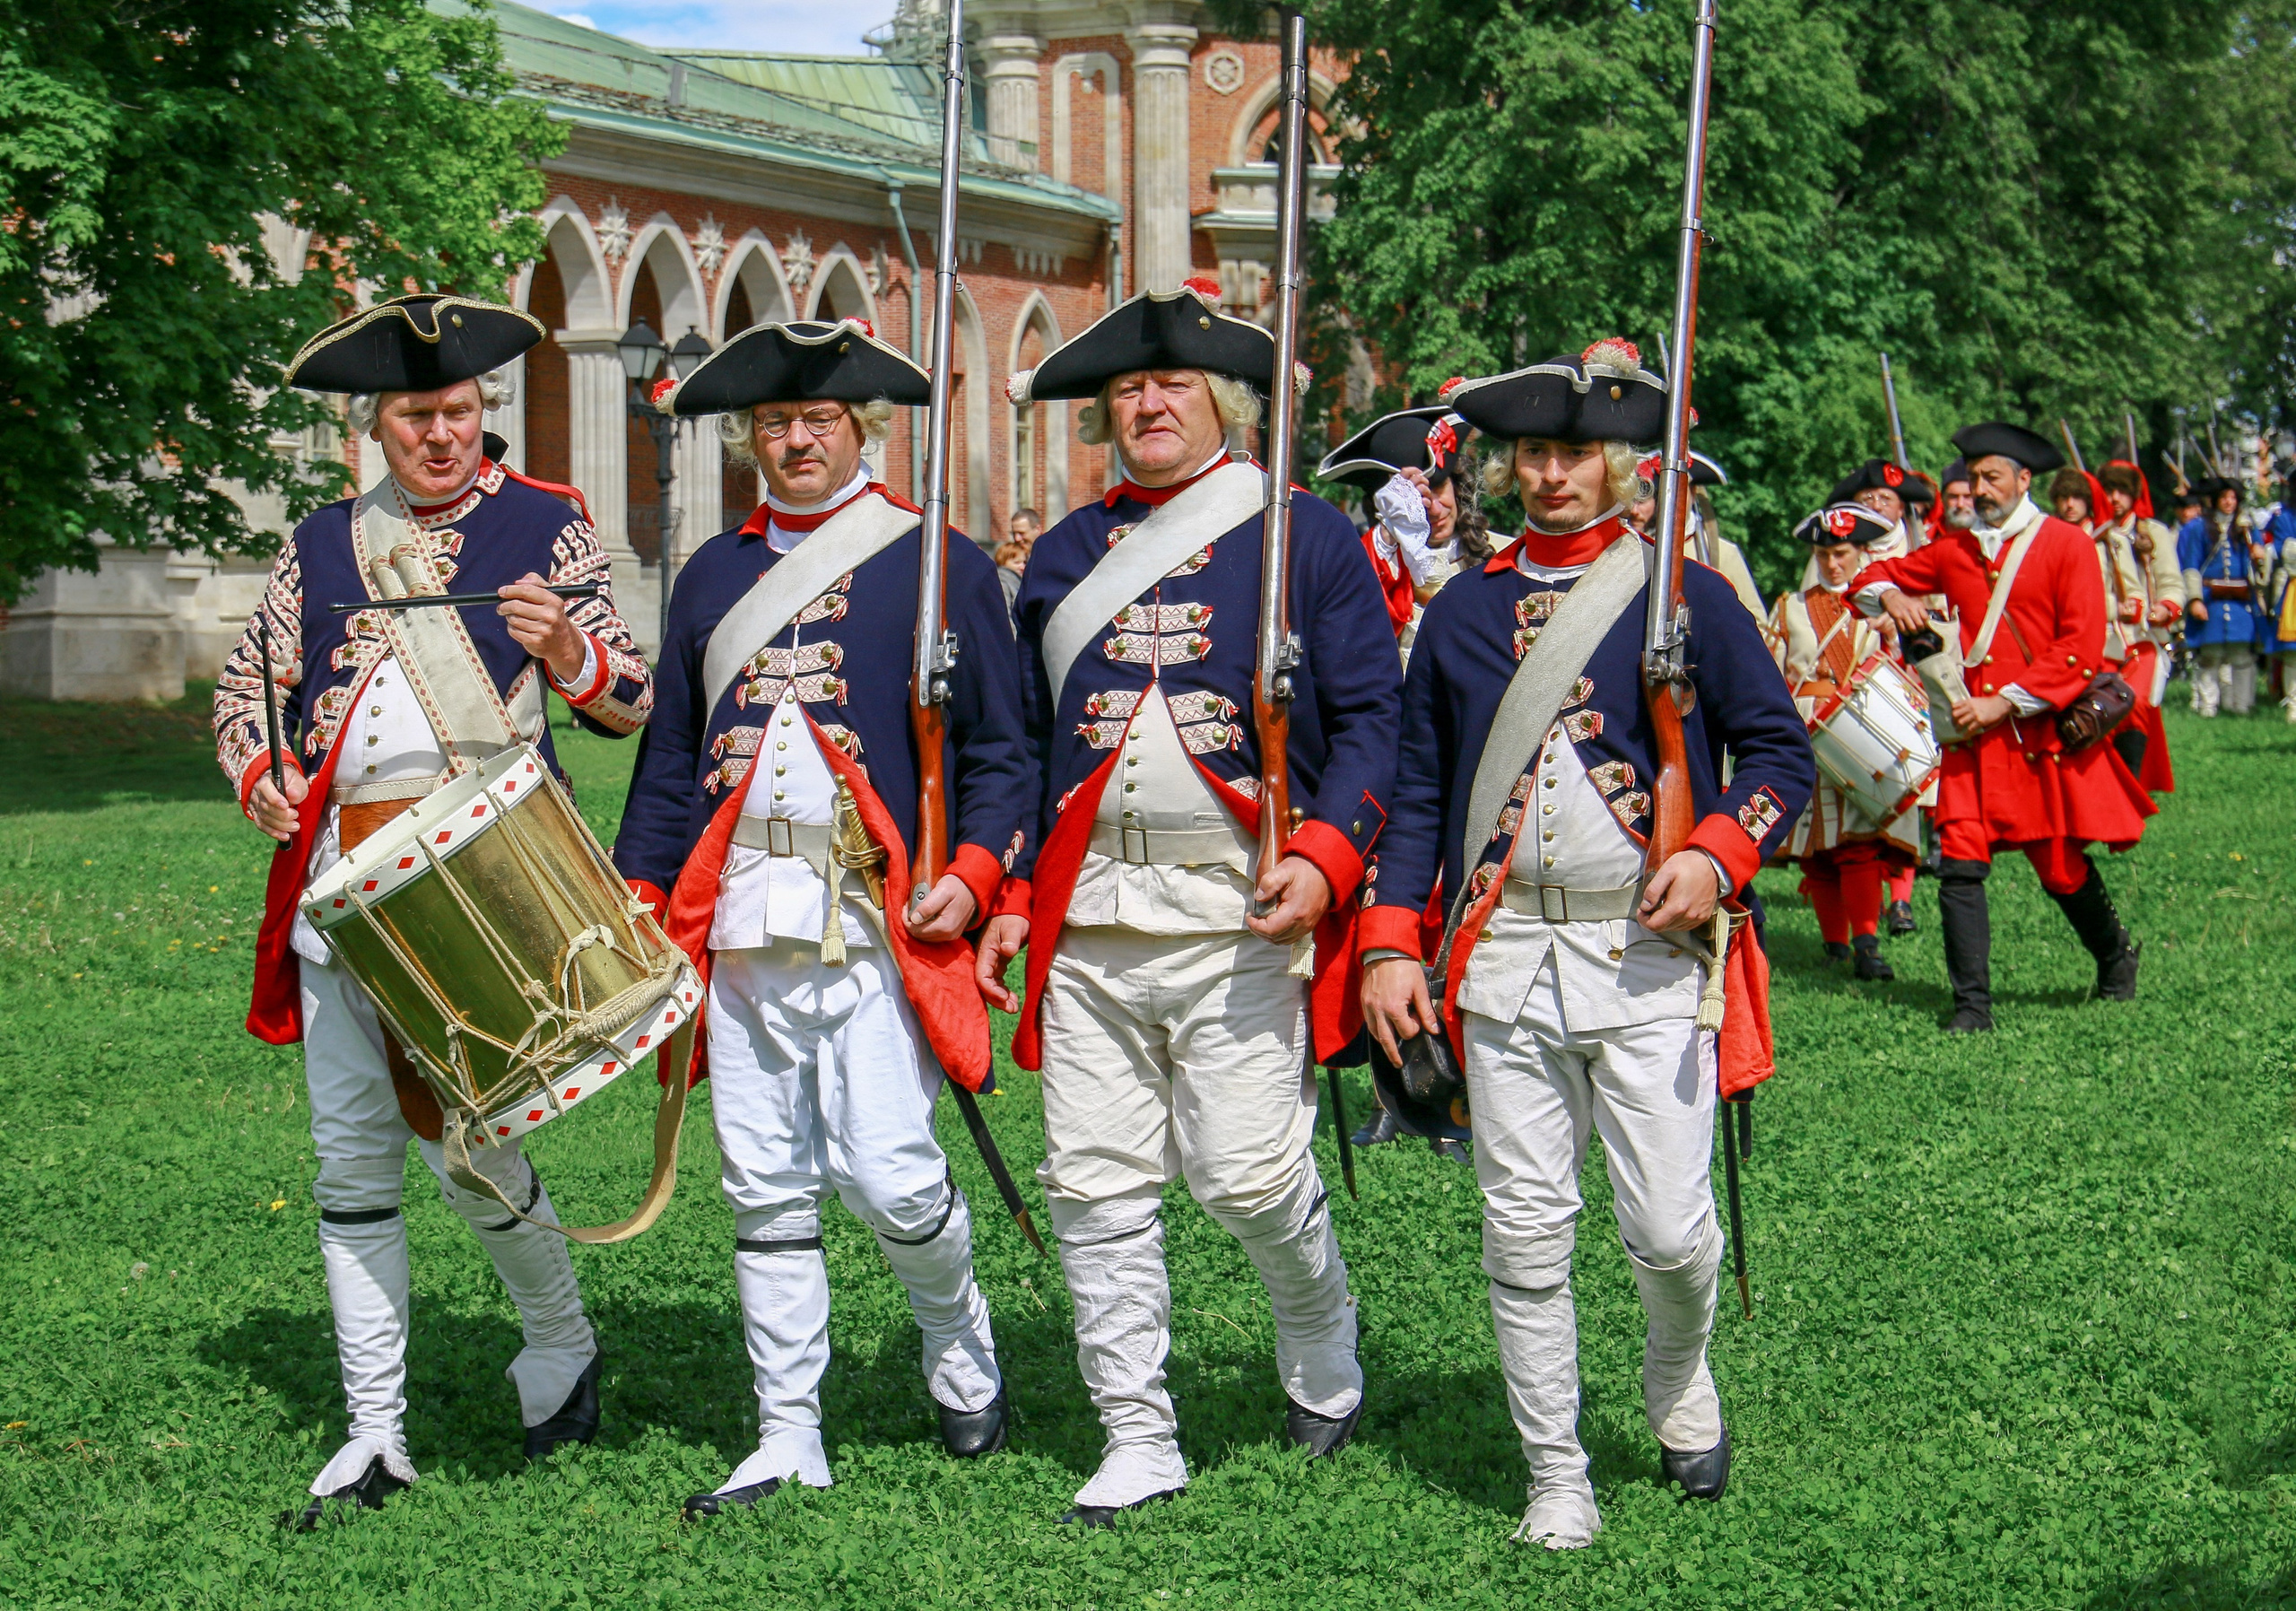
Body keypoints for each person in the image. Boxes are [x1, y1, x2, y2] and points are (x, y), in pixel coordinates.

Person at [1357, 339, 1812, 1549]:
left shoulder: (1687, 597)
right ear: (1512, 467)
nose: (1554, 474)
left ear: (1618, 461)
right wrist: (1393, 938)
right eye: (1536, 454)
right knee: (1521, 1228)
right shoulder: (1463, 610)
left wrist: (1718, 852)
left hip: (1652, 957)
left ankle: (1678, 1379)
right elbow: (1415, 795)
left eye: (1577, 453)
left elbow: (1778, 754)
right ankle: (1555, 1471)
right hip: (1504, 962)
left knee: (1671, 1231)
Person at [213, 294, 653, 1526]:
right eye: (417, 416)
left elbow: (631, 697)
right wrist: (262, 773)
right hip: (339, 893)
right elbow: (247, 688)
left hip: (482, 882)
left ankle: (560, 1344)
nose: (442, 435)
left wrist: (566, 649)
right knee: (351, 1162)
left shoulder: (547, 522)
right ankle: (373, 1433)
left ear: (485, 411)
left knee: (470, 1151)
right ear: (380, 423)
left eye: (458, 411)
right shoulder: (319, 543)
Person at [985, 279, 1400, 1523]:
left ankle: (1323, 1330)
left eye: (1171, 384)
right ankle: (1136, 1433)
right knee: (1095, 1182)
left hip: (1241, 911)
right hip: (1091, 919)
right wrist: (1010, 887)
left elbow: (1376, 724)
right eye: (1126, 388)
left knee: (1247, 1176)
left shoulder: (1303, 536)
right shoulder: (1066, 553)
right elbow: (1017, 744)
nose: (1148, 404)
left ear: (1220, 397)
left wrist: (1328, 851)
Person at [617, 319, 1026, 1516]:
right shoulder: (711, 575)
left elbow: (1002, 751)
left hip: (871, 913)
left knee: (895, 1178)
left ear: (861, 430)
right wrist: (646, 899)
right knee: (764, 1183)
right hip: (739, 917)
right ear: (752, 438)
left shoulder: (934, 560)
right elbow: (666, 768)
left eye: (820, 422)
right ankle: (787, 1427)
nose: (796, 441)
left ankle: (958, 1335)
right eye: (775, 424)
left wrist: (980, 867)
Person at [1854, 422, 2154, 1032]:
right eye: (1974, 479)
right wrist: (1891, 598)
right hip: (1973, 743)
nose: (1981, 490)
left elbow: (2080, 645)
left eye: (1993, 478)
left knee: (2060, 869)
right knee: (1960, 865)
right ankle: (1972, 1008)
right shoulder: (1953, 548)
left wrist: (2007, 702)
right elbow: (1865, 578)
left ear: (2024, 480)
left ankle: (2116, 958)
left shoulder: (2068, 544)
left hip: (2038, 738)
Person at [1767, 505, 1918, 980]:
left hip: (1863, 730)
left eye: (1843, 554)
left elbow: (1901, 671)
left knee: (1858, 842)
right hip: (1807, 728)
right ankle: (1835, 945)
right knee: (1818, 847)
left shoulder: (1880, 606)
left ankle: (1867, 943)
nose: (1834, 564)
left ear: (1861, 554)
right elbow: (1772, 672)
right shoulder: (1791, 606)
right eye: (1824, 553)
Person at [1318, 404, 1479, 650]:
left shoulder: (1503, 555)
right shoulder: (1371, 567)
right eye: (1416, 500)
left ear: (1456, 485)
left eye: (1437, 489)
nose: (1434, 509)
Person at [2093, 461, 2183, 782]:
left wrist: (2166, 607)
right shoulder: (2090, 534)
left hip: (2144, 638)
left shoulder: (2153, 531)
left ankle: (2131, 782)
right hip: (2102, 639)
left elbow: (2172, 582)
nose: (2115, 497)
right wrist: (2114, 608)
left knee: (2137, 703)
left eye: (2122, 491)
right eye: (2109, 490)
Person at [2177, 477, 2261, 716]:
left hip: (2240, 602)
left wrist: (2259, 555)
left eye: (2233, 498)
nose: (2229, 502)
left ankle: (2241, 706)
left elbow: (2257, 569)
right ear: (2215, 500)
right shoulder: (2197, 528)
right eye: (2224, 497)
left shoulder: (2246, 527)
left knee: (2242, 656)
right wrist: (2195, 600)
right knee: (2210, 655)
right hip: (2210, 599)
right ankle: (2208, 706)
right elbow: (2191, 565)